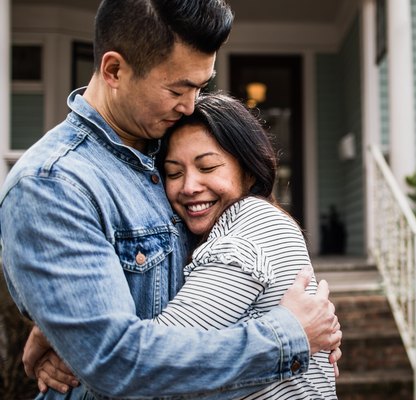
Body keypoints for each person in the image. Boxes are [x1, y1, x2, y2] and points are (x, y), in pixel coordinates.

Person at [0, 0, 341, 398]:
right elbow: (116, 363)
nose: (191, 105)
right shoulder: (55, 183)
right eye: (178, 89)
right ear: (114, 70)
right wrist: (288, 338)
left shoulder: (167, 142)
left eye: (201, 86)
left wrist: (306, 336)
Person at [152, 92, 337, 399]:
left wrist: (76, 348)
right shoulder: (222, 229)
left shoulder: (252, 222)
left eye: (208, 167)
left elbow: (160, 357)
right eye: (174, 173)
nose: (189, 187)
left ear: (249, 171)